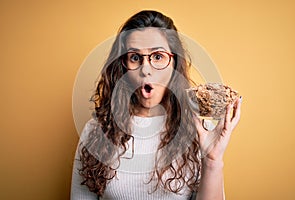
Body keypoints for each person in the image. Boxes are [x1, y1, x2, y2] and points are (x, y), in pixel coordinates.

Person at [71, 10, 242, 200]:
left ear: (174, 63)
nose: (146, 70)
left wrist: (212, 160)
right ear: (123, 66)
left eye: (158, 56)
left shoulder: (200, 132)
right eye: (135, 57)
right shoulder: (96, 131)